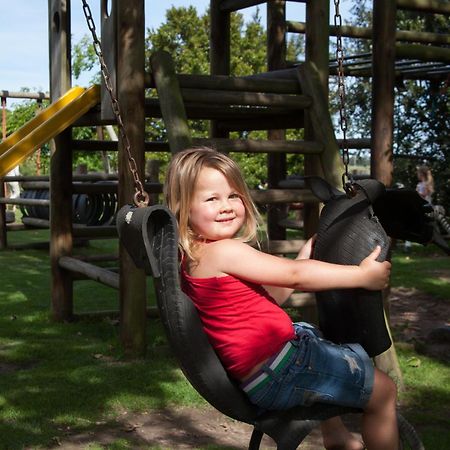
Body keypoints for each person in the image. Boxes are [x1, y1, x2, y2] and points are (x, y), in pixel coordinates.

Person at [164, 147, 398, 450]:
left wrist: (303, 256)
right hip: (282, 371)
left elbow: (272, 295)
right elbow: (295, 276)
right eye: (212, 199)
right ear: (184, 207)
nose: (226, 206)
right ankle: (344, 435)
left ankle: (337, 436)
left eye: (233, 195)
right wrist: (362, 275)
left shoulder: (197, 256)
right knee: (384, 392)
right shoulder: (225, 251)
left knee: (309, 332)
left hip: (263, 374)